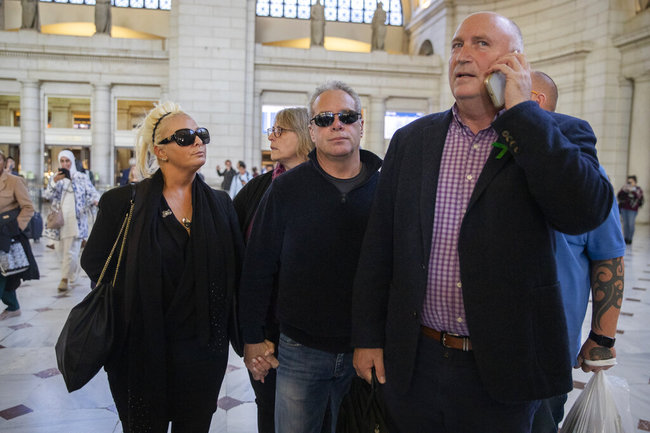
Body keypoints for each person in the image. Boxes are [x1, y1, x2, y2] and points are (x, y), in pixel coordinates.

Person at [351, 12, 613, 433]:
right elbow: (380, 245)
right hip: (416, 360)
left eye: (480, 44)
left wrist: (524, 114)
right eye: (457, 45)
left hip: (503, 369)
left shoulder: (557, 133)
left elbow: (583, 210)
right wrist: (367, 337)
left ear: (516, 62)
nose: (463, 55)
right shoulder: (413, 141)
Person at [80, 102, 244, 433]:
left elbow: (236, 272)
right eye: (185, 137)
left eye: (201, 135)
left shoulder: (221, 205)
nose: (198, 142)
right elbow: (95, 261)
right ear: (161, 151)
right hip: (139, 352)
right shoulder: (122, 203)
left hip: (202, 354)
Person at [240, 81, 382, 433]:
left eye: (347, 117)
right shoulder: (286, 189)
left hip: (366, 350)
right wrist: (252, 337)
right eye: (325, 118)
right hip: (300, 350)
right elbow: (258, 266)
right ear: (312, 131)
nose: (337, 124)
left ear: (361, 125)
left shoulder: (386, 188)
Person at [529, 70, 626, 433]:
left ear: (534, 101)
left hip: (547, 356)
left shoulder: (586, 175)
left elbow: (609, 256)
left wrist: (602, 339)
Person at [233, 107, 314, 433]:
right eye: (272, 130)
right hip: (265, 331)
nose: (271, 136)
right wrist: (252, 337)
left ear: (305, 134)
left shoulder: (327, 184)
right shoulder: (257, 188)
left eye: (281, 130)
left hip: (312, 333)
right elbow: (240, 258)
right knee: (268, 410)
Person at [44, 150, 100, 292]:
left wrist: (94, 201)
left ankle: (64, 279)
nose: (65, 164)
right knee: (60, 250)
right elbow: (47, 195)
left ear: (72, 161)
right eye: (62, 161)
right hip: (59, 219)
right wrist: (54, 182)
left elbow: (94, 194)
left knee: (71, 250)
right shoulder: (56, 178)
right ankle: (71, 273)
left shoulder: (81, 177)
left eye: (67, 161)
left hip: (77, 219)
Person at [0, 151, 39, 320]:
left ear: (3, 162)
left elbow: (28, 207)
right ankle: (13, 306)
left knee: (5, 273)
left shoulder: (14, 181)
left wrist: (15, 227)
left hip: (7, 235)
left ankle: (13, 306)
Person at [617, 175, 644, 244]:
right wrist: (624, 190)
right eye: (628, 181)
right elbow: (619, 195)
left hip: (632, 209)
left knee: (631, 224)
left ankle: (630, 238)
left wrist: (632, 190)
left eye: (631, 182)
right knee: (625, 224)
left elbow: (639, 196)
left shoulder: (638, 189)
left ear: (635, 182)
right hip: (624, 208)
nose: (629, 183)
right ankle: (626, 238)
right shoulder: (625, 188)